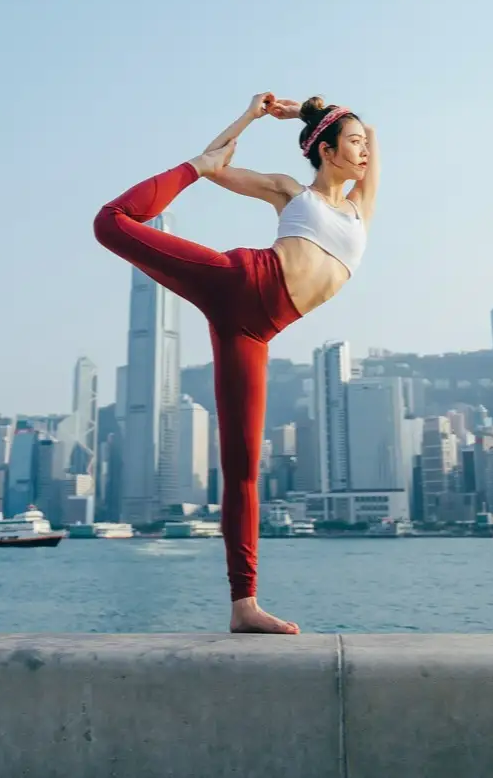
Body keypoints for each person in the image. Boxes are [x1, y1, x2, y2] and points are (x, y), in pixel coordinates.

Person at [92, 92, 376, 634]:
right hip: (240, 279)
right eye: (354, 142)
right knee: (111, 223)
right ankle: (182, 172)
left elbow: (374, 134)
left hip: (253, 330)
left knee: (243, 467)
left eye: (364, 142)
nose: (364, 150)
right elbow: (218, 161)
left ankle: (243, 606)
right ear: (327, 151)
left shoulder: (363, 205)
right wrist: (247, 120)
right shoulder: (289, 191)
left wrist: (314, 109)